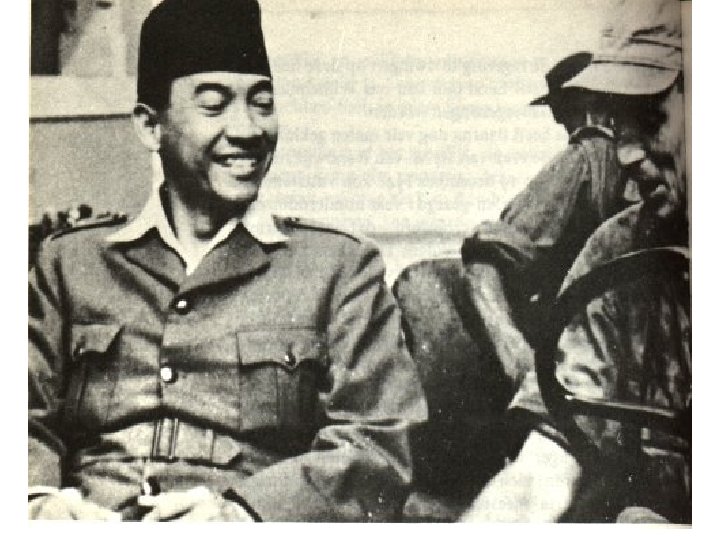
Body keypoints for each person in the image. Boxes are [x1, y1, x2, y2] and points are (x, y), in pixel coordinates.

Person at [28, 0, 427, 521]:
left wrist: (242, 514)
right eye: (214, 106)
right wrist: (38, 502)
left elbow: (377, 443)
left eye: (263, 104)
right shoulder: (70, 263)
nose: (248, 129)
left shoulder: (339, 268)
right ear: (150, 127)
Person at [461, 0, 689, 523]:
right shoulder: (620, 248)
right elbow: (549, 462)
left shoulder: (587, 165)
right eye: (618, 123)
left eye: (650, 120)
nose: (627, 154)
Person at [460, 52, 634, 388]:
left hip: (587, 338)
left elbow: (499, 243)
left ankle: (531, 388)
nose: (558, 122)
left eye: (560, 110)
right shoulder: (645, 159)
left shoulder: (585, 157)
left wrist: (522, 366)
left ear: (579, 104)